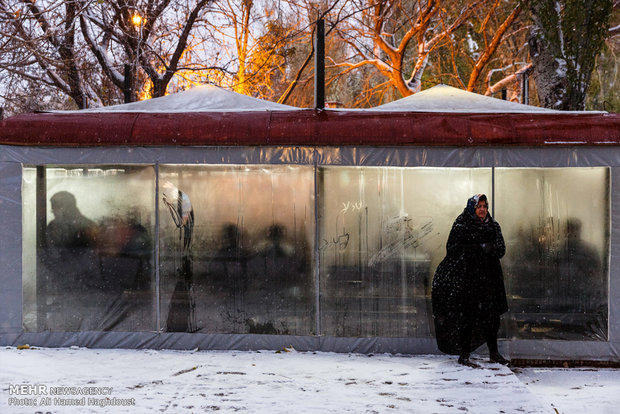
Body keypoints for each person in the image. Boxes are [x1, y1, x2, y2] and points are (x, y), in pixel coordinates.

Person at [431, 194, 509, 368]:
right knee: (467, 317)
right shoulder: (461, 225)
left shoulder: (493, 226)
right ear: (472, 208)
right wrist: (478, 248)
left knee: (491, 318)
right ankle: (464, 354)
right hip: (468, 280)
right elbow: (452, 248)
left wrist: (491, 248)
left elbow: (501, 249)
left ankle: (494, 353)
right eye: (479, 206)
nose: (482, 210)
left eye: (484, 206)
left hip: (489, 281)